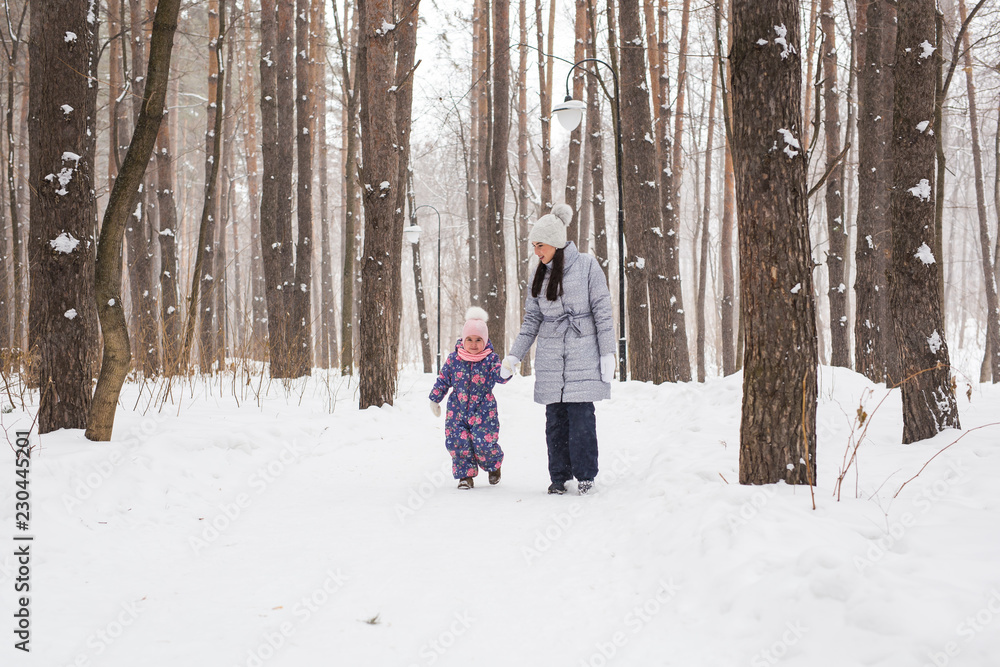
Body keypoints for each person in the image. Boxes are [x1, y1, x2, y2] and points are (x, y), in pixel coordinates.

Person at [501, 204, 615, 495]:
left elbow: (602, 311)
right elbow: (531, 319)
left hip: (583, 351)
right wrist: (515, 354)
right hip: (551, 355)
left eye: (540, 245)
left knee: (581, 418)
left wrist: (607, 352)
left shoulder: (588, 266)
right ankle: (558, 476)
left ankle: (586, 475)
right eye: (534, 246)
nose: (536, 251)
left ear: (555, 242)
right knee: (555, 421)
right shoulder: (538, 274)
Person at [429, 307, 511, 489]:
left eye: (478, 340)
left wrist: (506, 370)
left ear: (486, 340)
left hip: (484, 411)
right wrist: (435, 398)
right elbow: (443, 380)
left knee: (484, 442)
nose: (474, 344)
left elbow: (500, 376)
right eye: (470, 339)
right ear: (463, 340)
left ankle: (493, 465)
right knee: (457, 442)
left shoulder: (490, 359)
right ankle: (465, 476)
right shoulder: (454, 359)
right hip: (457, 410)